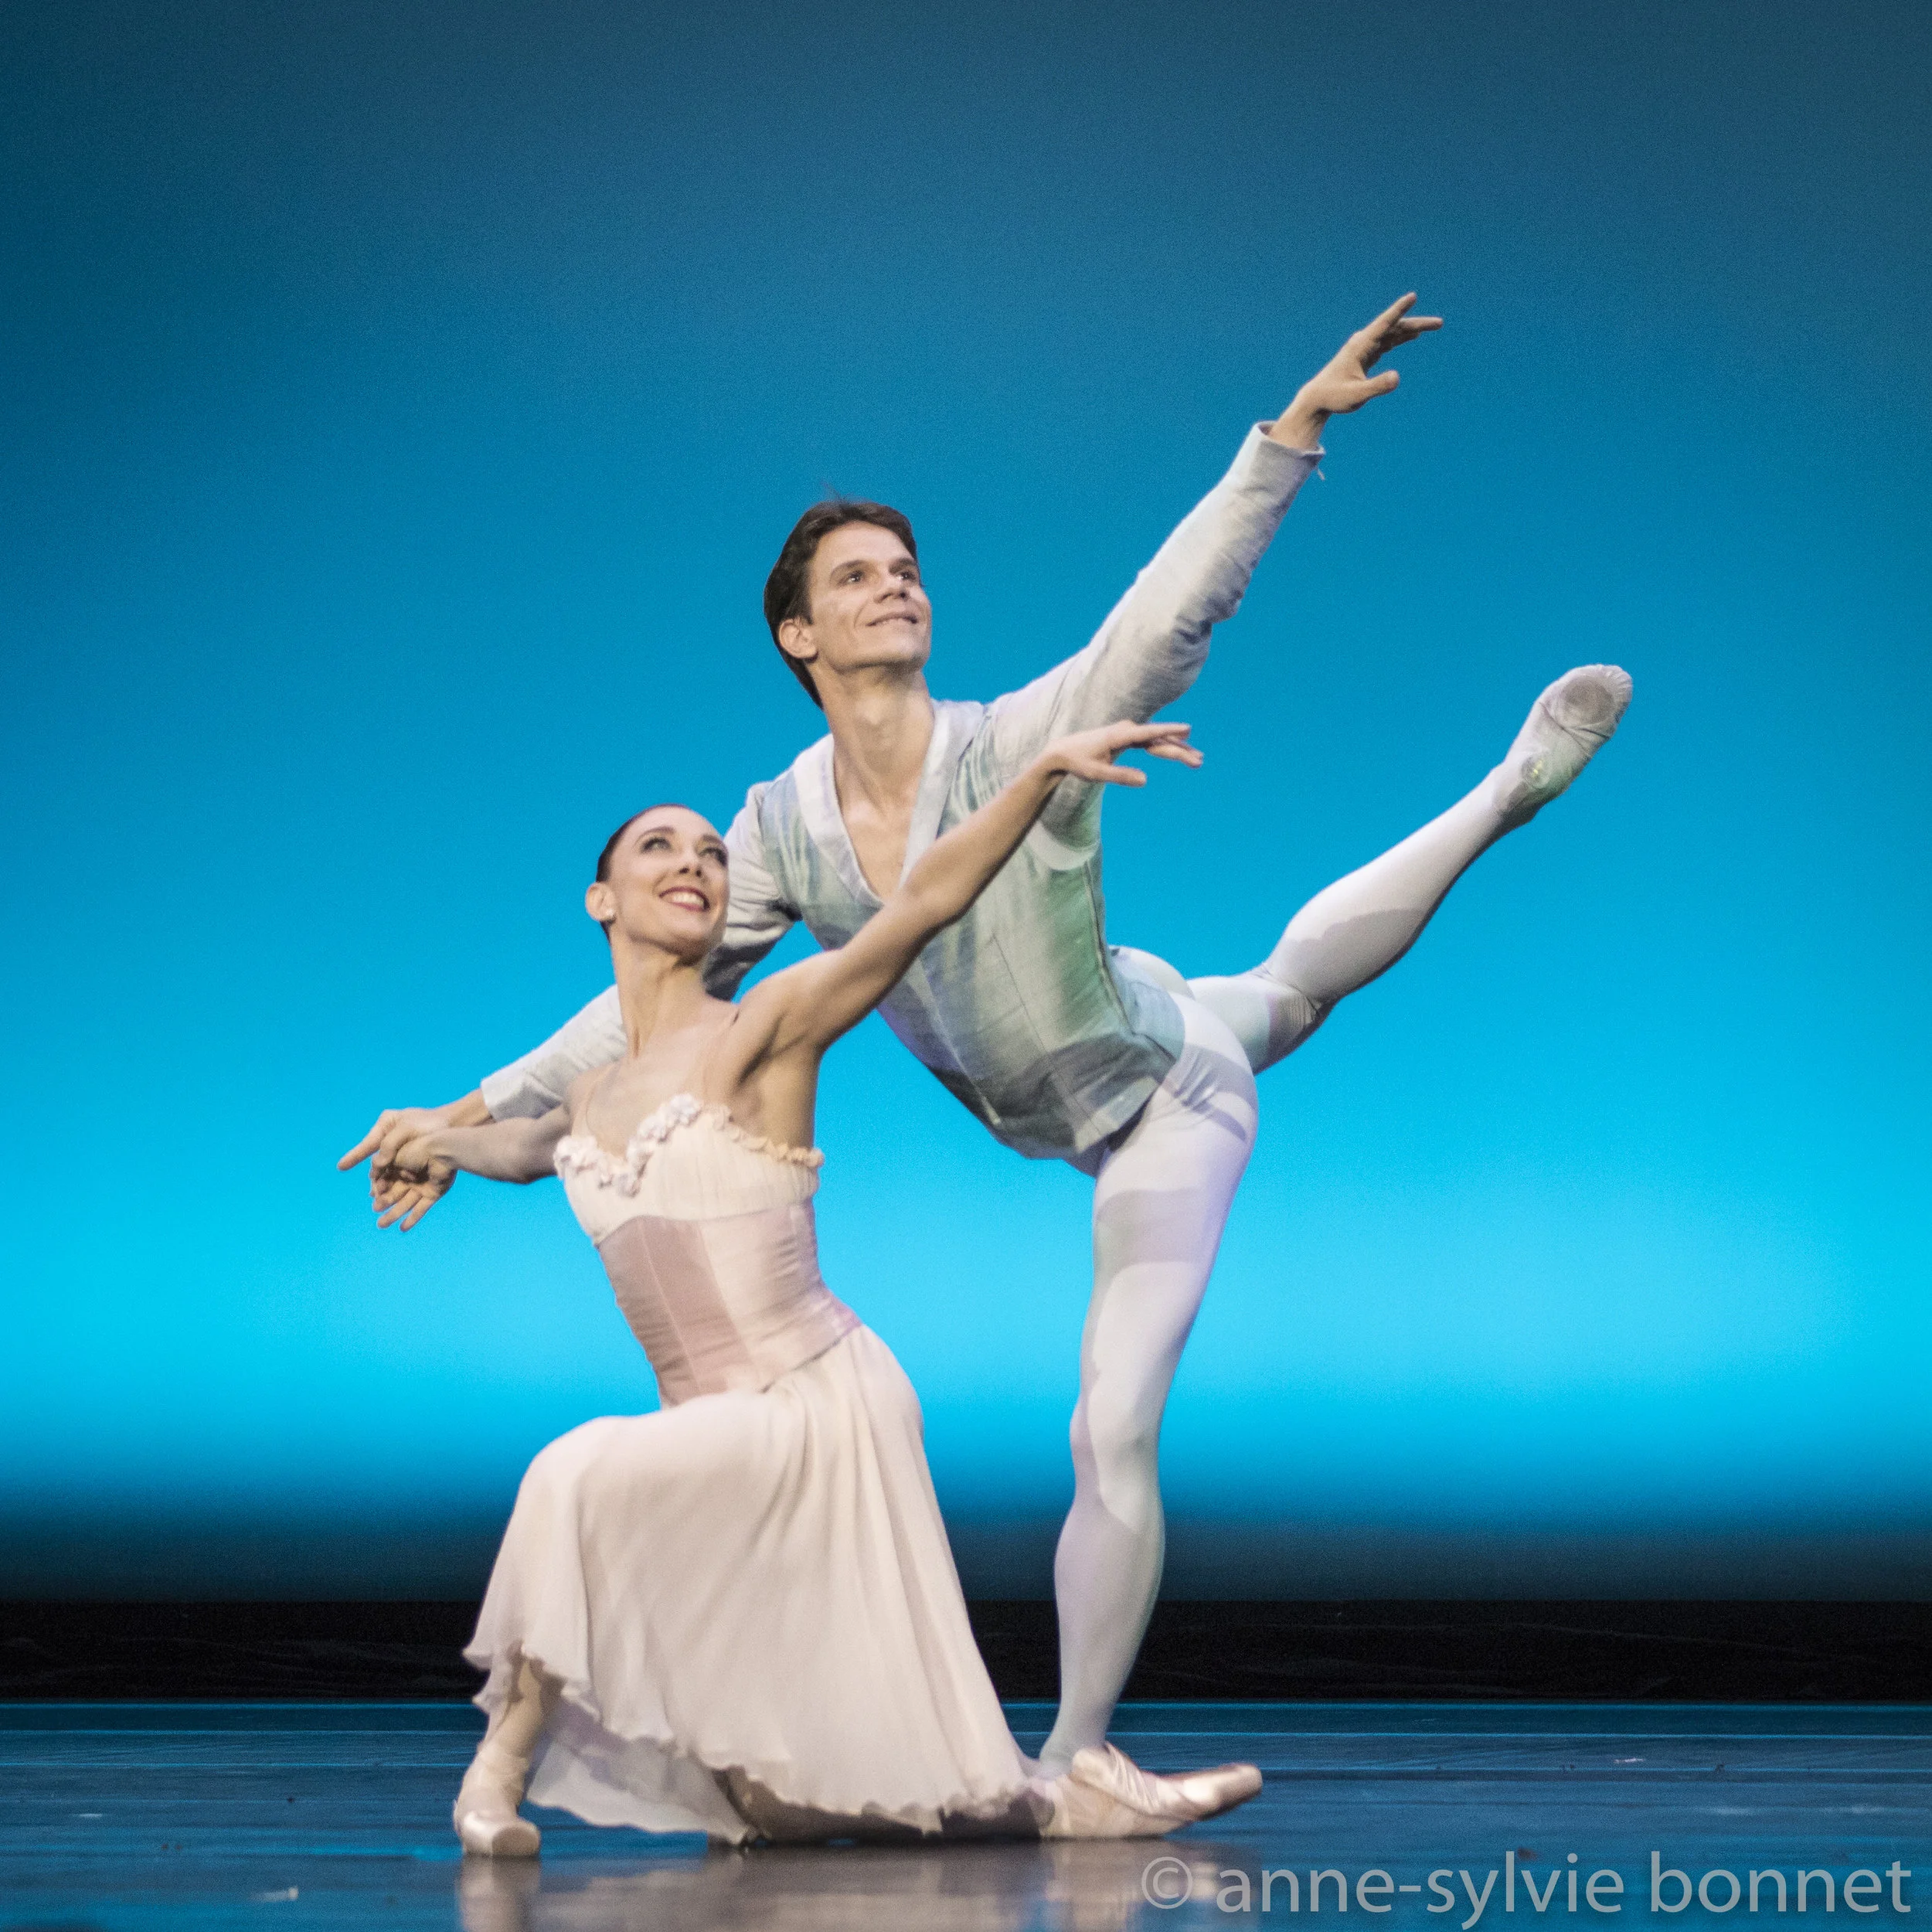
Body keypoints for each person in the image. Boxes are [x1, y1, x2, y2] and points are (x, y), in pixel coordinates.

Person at [345, 295, 1634, 1798]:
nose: (895, 588)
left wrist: (1283, 440)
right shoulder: (772, 827)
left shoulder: (1014, 735)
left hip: (1151, 1090)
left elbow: (1162, 616)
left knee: (1119, 1401)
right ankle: (1490, 801)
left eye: (906, 569)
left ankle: (1078, 1751)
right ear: (798, 632)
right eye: (855, 577)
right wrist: (470, 1103)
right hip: (1074, 1069)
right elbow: (633, 1011)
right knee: (1275, 987)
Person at [371, 718, 1265, 1854]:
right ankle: (1063, 1803)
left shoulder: (768, 1029)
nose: (695, 861)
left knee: (573, 1470)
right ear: (602, 900)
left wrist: (1035, 779)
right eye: (660, 848)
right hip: (711, 1426)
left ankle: (492, 1779)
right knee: (791, 1811)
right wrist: (439, 1144)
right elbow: (522, 1146)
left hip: (812, 1406)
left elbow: (920, 907)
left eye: (710, 850)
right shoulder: (589, 1099)